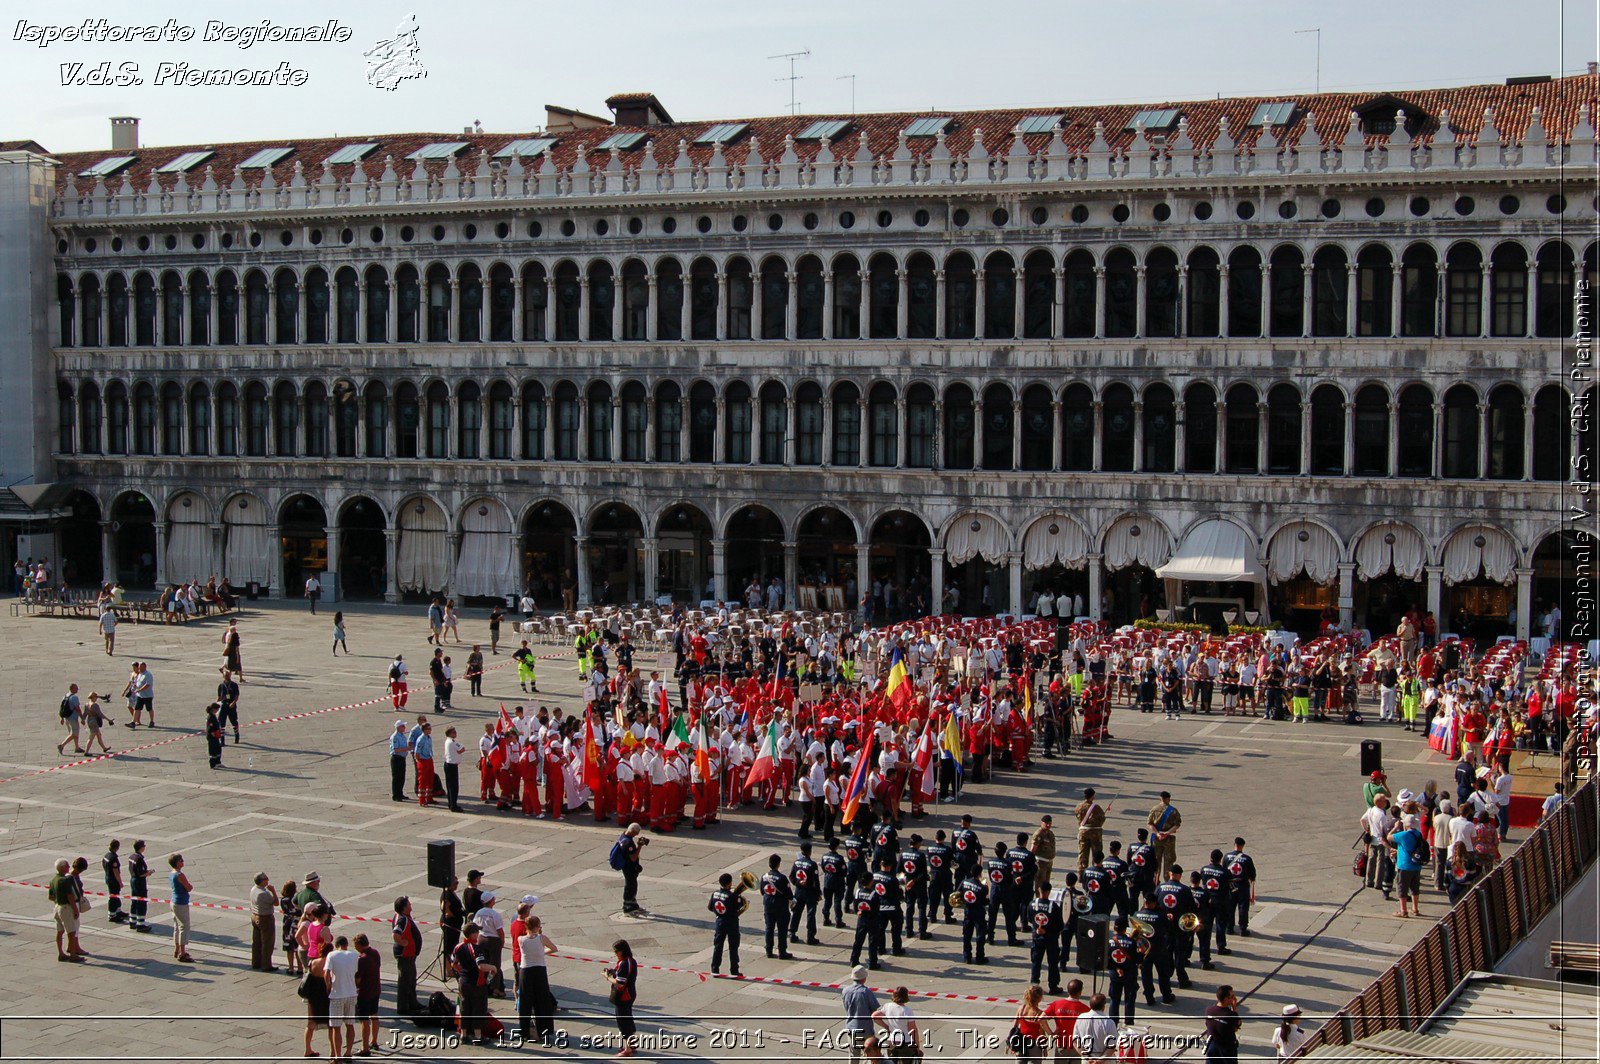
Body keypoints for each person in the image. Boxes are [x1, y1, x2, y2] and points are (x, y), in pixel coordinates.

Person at [516, 914, 559, 1046]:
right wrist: (542, 952)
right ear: (536, 927)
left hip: (525, 970)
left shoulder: (521, 939)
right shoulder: (542, 938)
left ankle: (524, 1030)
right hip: (539, 970)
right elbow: (554, 949)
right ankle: (544, 1030)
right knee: (542, 1000)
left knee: (525, 1002)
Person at [451, 924, 494, 1046]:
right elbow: (481, 966)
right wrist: (493, 967)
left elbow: (454, 963)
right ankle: (478, 1036)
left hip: (463, 982)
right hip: (477, 983)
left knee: (465, 1008)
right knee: (478, 1008)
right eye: (477, 932)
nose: (478, 934)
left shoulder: (458, 947)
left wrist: (462, 972)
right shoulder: (476, 948)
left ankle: (464, 1035)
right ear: (473, 934)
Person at [323, 935, 360, 1059]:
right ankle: (348, 1053)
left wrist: (328, 987)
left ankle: (338, 1055)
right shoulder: (354, 956)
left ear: (336, 945)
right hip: (351, 994)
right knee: (350, 1025)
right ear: (346, 945)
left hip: (337, 994)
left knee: (336, 1027)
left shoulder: (331, 955)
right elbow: (357, 974)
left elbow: (326, 974)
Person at [1389, 815, 1429, 918]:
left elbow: (1389, 836)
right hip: (1416, 864)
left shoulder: (1403, 835)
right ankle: (1415, 909)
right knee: (1415, 888)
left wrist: (1395, 827)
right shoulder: (1418, 834)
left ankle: (1403, 911)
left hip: (1404, 865)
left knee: (1402, 887)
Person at [48, 858, 87, 962]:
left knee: (59, 931)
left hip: (57, 907)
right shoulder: (65, 880)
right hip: (66, 907)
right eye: (67, 866)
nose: (69, 867)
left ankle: (61, 953)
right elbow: (70, 896)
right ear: (62, 868)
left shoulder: (53, 879)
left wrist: (58, 899)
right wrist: (75, 910)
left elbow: (51, 897)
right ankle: (73, 955)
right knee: (71, 932)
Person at [606, 939, 639, 1058]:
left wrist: (607, 977)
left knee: (623, 1023)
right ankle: (632, 1044)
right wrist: (614, 972)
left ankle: (628, 1049)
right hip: (630, 994)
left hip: (623, 996)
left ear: (622, 951)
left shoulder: (624, 963)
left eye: (616, 952)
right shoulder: (631, 961)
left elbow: (619, 983)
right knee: (628, 1019)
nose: (615, 954)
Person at [391, 896, 424, 1015]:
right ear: (404, 908)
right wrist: (403, 942)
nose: (411, 905)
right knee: (405, 981)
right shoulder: (402, 919)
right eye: (409, 904)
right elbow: (396, 934)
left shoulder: (402, 916)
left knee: (411, 980)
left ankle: (413, 1003)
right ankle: (404, 1007)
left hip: (409, 955)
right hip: (405, 955)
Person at [842, 965, 881, 1064]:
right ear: (864, 979)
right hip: (865, 1029)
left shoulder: (845, 990)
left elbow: (846, 1007)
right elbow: (874, 1010)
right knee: (868, 1055)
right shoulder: (866, 992)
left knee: (853, 1055)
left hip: (851, 1027)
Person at [1043, 980, 1089, 1062]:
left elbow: (1041, 1019)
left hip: (1061, 1044)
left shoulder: (1057, 1004)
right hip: (1077, 1046)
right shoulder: (1085, 1009)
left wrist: (1051, 1034)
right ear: (1080, 992)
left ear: (1068, 991)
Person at [708, 872, 744, 976]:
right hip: (731, 923)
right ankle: (734, 969)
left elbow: (710, 907)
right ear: (729, 883)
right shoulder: (732, 896)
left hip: (720, 922)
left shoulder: (715, 893)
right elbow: (739, 907)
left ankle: (715, 968)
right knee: (733, 947)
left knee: (718, 946)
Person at [872, 986, 919, 1062]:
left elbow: (874, 1016)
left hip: (891, 1041)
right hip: (905, 1042)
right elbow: (913, 1030)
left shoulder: (887, 1006)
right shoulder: (907, 1011)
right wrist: (917, 1047)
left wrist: (886, 1026)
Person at [353, 933, 382, 1055]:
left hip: (364, 992)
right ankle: (374, 1041)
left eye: (355, 945)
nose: (355, 948)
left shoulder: (362, 959)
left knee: (364, 1020)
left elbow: (358, 979)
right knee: (374, 1015)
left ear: (359, 945)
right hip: (375, 989)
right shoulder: (375, 952)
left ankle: (365, 1048)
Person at [301, 954, 333, 1060]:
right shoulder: (329, 963)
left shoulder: (312, 962)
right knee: (331, 1025)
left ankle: (307, 1049)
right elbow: (328, 980)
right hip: (325, 995)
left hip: (313, 996)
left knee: (311, 1023)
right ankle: (333, 1051)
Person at [1072, 993, 1117, 1063]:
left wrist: (1087, 1057)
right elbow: (1112, 1047)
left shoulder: (1081, 1018)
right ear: (1103, 1006)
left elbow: (1075, 1042)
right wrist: (1099, 1061)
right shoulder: (1109, 1022)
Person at [1205, 985, 1242, 1064]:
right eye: (1232, 996)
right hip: (1226, 1050)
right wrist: (1234, 1007)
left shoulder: (1209, 1010)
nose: (1234, 998)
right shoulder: (1230, 1015)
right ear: (1226, 999)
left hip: (1212, 1047)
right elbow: (1237, 1025)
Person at [169, 853, 194, 962]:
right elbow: (188, 887)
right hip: (181, 903)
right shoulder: (180, 875)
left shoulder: (171, 873)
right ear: (177, 862)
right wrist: (190, 886)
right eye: (181, 860)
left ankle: (177, 949)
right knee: (184, 926)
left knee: (176, 926)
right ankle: (183, 953)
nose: (183, 861)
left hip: (173, 901)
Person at [250, 871, 277, 971]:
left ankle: (256, 962)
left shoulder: (254, 889)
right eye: (266, 878)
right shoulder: (263, 893)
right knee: (267, 942)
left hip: (254, 916)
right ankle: (266, 965)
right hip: (265, 918)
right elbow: (276, 903)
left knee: (256, 942)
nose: (268, 880)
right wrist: (273, 891)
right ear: (261, 881)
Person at [616, 823, 646, 914]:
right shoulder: (628, 843)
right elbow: (633, 857)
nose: (636, 835)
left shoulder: (623, 835)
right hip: (629, 867)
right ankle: (627, 906)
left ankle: (633, 904)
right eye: (636, 833)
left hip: (628, 866)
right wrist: (640, 846)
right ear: (632, 831)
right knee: (630, 886)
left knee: (633, 885)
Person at [1014, 984, 1048, 1061]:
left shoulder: (1021, 1009)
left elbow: (1015, 1027)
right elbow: (1042, 1033)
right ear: (1039, 999)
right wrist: (1044, 1048)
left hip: (1021, 1042)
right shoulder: (1040, 1014)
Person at [280, 880, 303, 976]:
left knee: (289, 947)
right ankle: (300, 968)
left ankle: (290, 967)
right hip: (296, 923)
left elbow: (284, 910)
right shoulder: (297, 899)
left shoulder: (283, 900)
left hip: (287, 923)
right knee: (297, 946)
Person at [442, 726, 466, 812]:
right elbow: (462, 749)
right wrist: (459, 752)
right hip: (452, 766)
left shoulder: (448, 741)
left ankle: (451, 803)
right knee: (453, 786)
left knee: (449, 786)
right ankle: (453, 805)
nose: (455, 733)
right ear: (450, 733)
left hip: (448, 764)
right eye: (454, 732)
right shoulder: (452, 741)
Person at [101, 839, 125, 925]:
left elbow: (103, 865)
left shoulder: (106, 855)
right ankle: (112, 915)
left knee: (116, 895)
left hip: (108, 877)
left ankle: (118, 911)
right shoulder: (114, 858)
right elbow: (116, 871)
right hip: (113, 880)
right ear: (117, 847)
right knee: (113, 897)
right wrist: (120, 882)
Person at [57, 683, 83, 755]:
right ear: (72, 689)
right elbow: (78, 709)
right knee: (74, 733)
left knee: (75, 732)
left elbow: (61, 708)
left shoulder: (65, 696)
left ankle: (77, 747)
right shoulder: (74, 697)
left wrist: (61, 718)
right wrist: (82, 718)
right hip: (73, 718)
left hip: (66, 718)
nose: (77, 689)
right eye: (76, 688)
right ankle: (62, 745)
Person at [388, 720, 410, 802]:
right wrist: (407, 748)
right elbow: (396, 749)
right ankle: (396, 795)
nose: (404, 728)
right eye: (403, 726)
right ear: (398, 727)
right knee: (396, 777)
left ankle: (400, 793)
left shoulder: (402, 736)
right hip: (396, 758)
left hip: (402, 758)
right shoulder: (395, 737)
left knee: (402, 777)